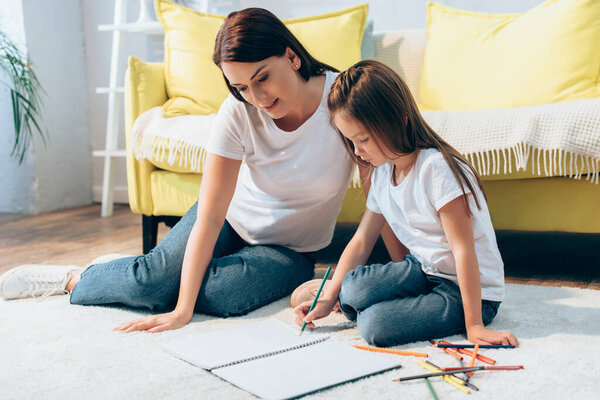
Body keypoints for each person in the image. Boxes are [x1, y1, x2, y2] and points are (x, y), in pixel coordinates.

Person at [0, 8, 355, 333]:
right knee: (155, 286)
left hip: (290, 250)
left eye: (262, 77)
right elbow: (212, 216)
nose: (257, 97)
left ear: (292, 57)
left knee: (220, 296)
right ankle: (79, 278)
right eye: (242, 87)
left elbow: (381, 202)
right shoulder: (237, 112)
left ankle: (145, 271)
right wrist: (182, 311)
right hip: (230, 222)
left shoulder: (344, 104)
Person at [294, 60, 519, 347]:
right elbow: (362, 241)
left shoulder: (436, 169)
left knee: (374, 325)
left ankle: (425, 308)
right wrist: (328, 299)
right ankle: (349, 297)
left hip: (468, 292)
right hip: (425, 269)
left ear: (398, 121)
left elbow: (463, 250)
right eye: (350, 142)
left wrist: (474, 325)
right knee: (348, 289)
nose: (357, 152)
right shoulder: (382, 174)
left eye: (362, 139)